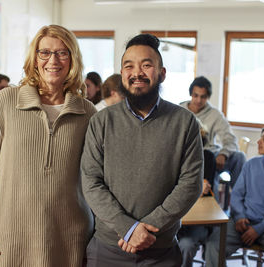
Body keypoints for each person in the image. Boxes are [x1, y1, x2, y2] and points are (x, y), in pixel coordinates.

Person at [0, 24, 96, 267]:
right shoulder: (6, 101)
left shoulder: (87, 112)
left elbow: (96, 175)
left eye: (62, 52)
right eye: (45, 52)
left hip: (70, 234)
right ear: (35, 57)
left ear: (73, 59)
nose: (53, 60)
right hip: (12, 234)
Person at [81, 33, 203, 266]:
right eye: (129, 66)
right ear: (122, 75)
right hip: (108, 248)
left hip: (160, 251)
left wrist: (144, 229)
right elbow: (90, 181)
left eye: (146, 65)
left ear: (162, 73)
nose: (137, 73)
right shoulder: (101, 121)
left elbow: (190, 184)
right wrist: (127, 228)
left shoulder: (184, 122)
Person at [205, 125, 264, 267]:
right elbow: (237, 194)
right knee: (214, 244)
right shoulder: (251, 164)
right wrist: (239, 217)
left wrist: (258, 229)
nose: (258, 142)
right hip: (243, 222)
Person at [179, 76, 246, 191]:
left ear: (208, 97)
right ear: (191, 94)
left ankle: (238, 200)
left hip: (210, 155)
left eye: (203, 97)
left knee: (239, 157)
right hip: (187, 156)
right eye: (196, 95)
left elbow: (230, 139)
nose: (199, 100)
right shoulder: (179, 111)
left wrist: (223, 154)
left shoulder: (215, 114)